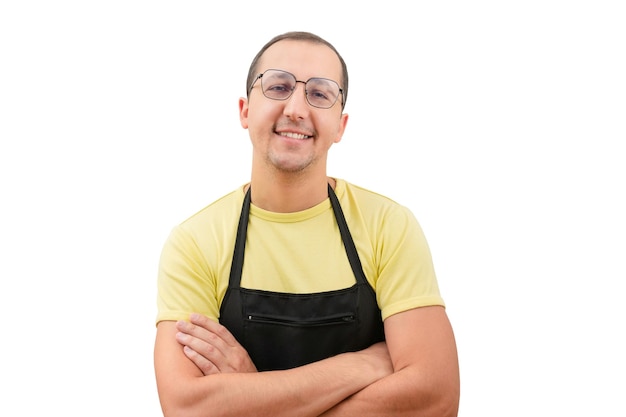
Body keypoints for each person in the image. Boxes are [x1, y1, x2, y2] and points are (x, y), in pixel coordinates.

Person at [153, 31, 460, 417]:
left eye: (319, 93)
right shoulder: (195, 242)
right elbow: (186, 408)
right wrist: (362, 365)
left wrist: (249, 395)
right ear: (245, 110)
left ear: (341, 125)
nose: (296, 108)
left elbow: (436, 397)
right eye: (278, 86)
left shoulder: (388, 227)